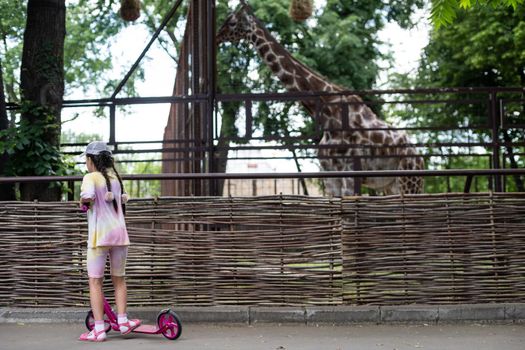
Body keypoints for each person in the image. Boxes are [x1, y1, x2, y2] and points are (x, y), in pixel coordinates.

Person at [78, 141, 141, 342]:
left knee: (95, 281)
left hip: (99, 238)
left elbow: (87, 197)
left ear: (90, 160)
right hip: (120, 236)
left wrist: (82, 203)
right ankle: (122, 321)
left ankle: (98, 329)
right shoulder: (115, 178)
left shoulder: (90, 177)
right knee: (119, 279)